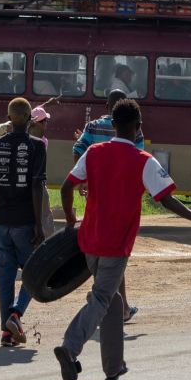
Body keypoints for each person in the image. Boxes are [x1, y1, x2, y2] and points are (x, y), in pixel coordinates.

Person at [54, 99, 191, 380]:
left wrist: (71, 218)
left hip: (89, 240)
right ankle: (69, 348)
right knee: (102, 298)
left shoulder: (93, 152)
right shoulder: (143, 160)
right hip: (115, 244)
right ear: (138, 127)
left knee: (112, 300)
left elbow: (68, 185)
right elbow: (167, 199)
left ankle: (113, 366)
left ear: (113, 125)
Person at [0, 98, 47, 346]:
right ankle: (16, 315)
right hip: (24, 221)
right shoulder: (37, 146)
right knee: (34, 273)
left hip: (0, 222)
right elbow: (37, 184)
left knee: (5, 278)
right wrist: (38, 224)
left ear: (9, 117)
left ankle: (7, 334)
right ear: (30, 119)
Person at [73, 89, 144, 322]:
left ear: (107, 107)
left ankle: (113, 301)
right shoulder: (134, 127)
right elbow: (139, 154)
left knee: (105, 251)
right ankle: (113, 303)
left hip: (98, 197)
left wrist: (83, 179)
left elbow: (77, 150)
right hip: (123, 199)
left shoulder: (92, 127)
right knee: (115, 251)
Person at [28, 104, 56, 238]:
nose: (46, 124)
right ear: (41, 123)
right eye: (46, 121)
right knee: (45, 216)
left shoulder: (22, 137)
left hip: (23, 183)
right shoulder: (43, 141)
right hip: (38, 183)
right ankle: (50, 245)